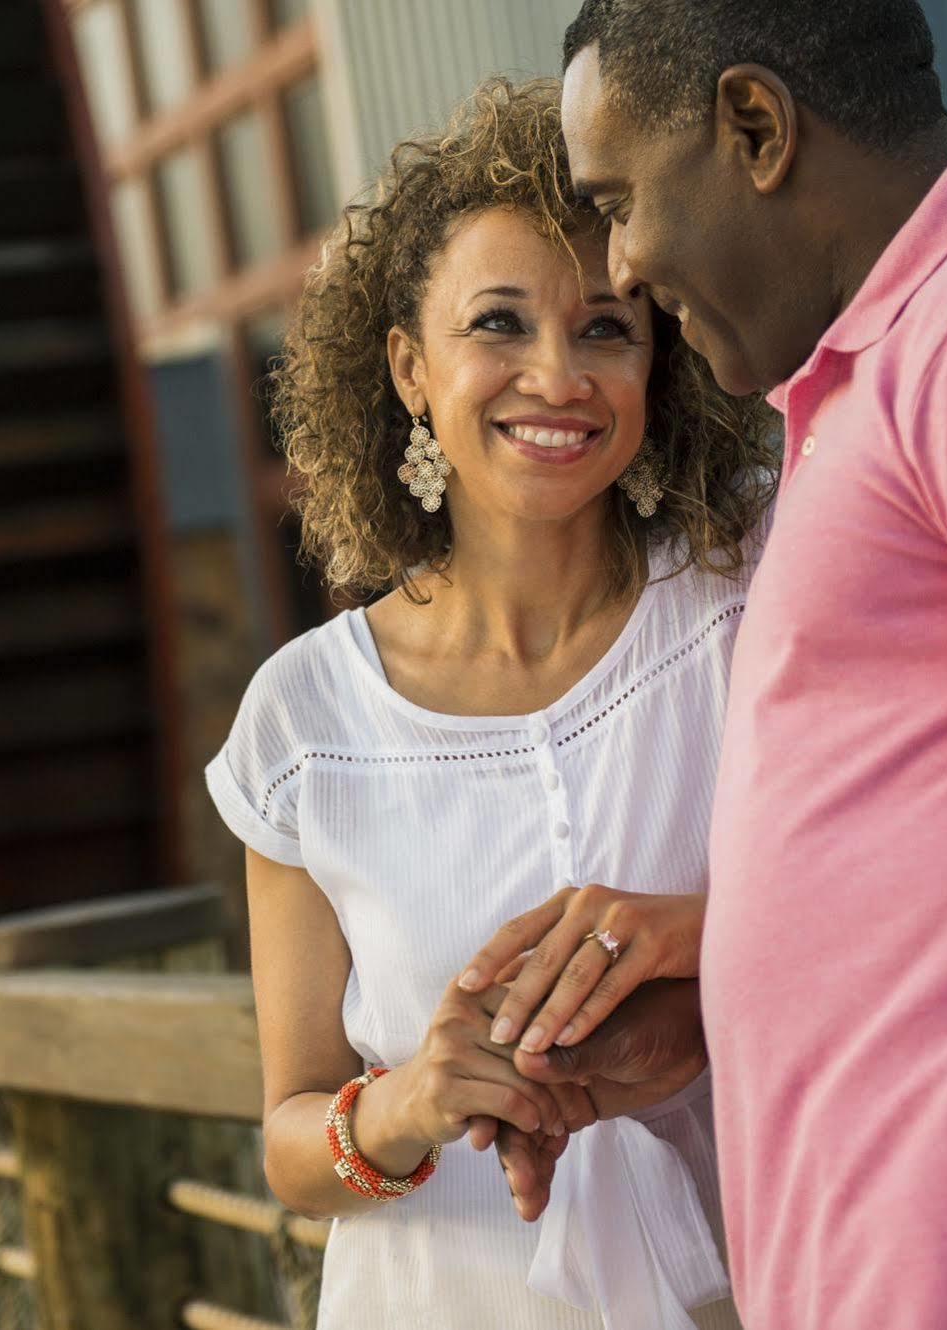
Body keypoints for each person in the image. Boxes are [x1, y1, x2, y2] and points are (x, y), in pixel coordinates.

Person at [470, 3, 947, 1327]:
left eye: (617, 200)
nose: (620, 261)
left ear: (754, 128)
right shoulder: (886, 366)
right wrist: (720, 975)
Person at [205, 78, 774, 1329]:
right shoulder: (302, 723)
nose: (556, 376)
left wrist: (700, 946)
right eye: (499, 325)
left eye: (608, 328)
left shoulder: (752, 602)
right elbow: (292, 1137)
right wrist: (410, 1098)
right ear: (410, 367)